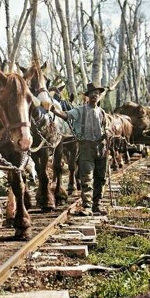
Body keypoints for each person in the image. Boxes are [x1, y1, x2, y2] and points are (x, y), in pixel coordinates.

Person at [50, 82, 109, 216]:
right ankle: (87, 206)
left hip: (101, 147)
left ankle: (97, 205)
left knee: (101, 177)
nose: (95, 95)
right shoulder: (80, 110)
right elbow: (66, 115)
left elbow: (105, 127)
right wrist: (54, 111)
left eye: (97, 93)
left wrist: (108, 132)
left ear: (99, 96)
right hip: (86, 146)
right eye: (92, 93)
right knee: (87, 177)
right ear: (88, 96)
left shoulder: (102, 112)